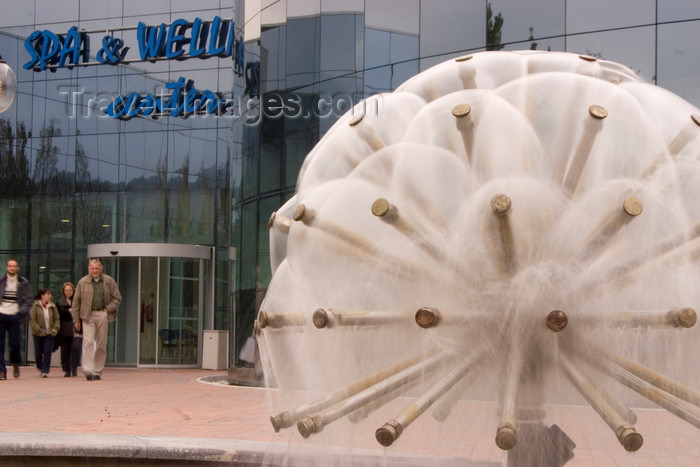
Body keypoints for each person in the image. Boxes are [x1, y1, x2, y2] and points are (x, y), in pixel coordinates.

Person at [71, 259, 121, 381]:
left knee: (101, 344)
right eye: (92, 268)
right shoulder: (83, 282)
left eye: (97, 268)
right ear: (89, 268)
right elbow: (76, 302)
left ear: (101, 268)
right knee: (88, 341)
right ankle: (88, 368)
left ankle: (97, 371)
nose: (95, 270)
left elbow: (117, 298)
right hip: (87, 315)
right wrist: (76, 320)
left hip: (102, 313)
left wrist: (107, 309)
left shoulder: (109, 281)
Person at [0, 259, 33, 380]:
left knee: (15, 344)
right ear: (6, 267)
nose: (12, 268)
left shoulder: (23, 282)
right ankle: (2, 371)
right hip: (1, 315)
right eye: (10, 266)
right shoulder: (1, 281)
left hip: (15, 316)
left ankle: (15, 364)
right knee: (0, 345)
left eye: (14, 266)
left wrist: (20, 312)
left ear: (17, 268)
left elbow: (29, 300)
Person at [29, 288, 59, 378]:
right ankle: (40, 367)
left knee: (47, 351)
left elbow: (57, 319)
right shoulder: (35, 306)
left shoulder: (52, 306)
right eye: (48, 294)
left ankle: (45, 371)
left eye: (50, 294)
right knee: (38, 353)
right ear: (42, 296)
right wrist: (40, 331)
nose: (50, 296)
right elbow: (32, 320)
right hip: (38, 333)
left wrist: (55, 329)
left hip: (49, 333)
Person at [55, 282, 80, 377]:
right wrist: (68, 311)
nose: (68, 292)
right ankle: (67, 370)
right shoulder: (60, 302)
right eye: (66, 290)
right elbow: (58, 315)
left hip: (76, 329)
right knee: (65, 350)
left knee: (76, 348)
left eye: (70, 290)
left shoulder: (77, 301)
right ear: (63, 291)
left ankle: (74, 369)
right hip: (64, 330)